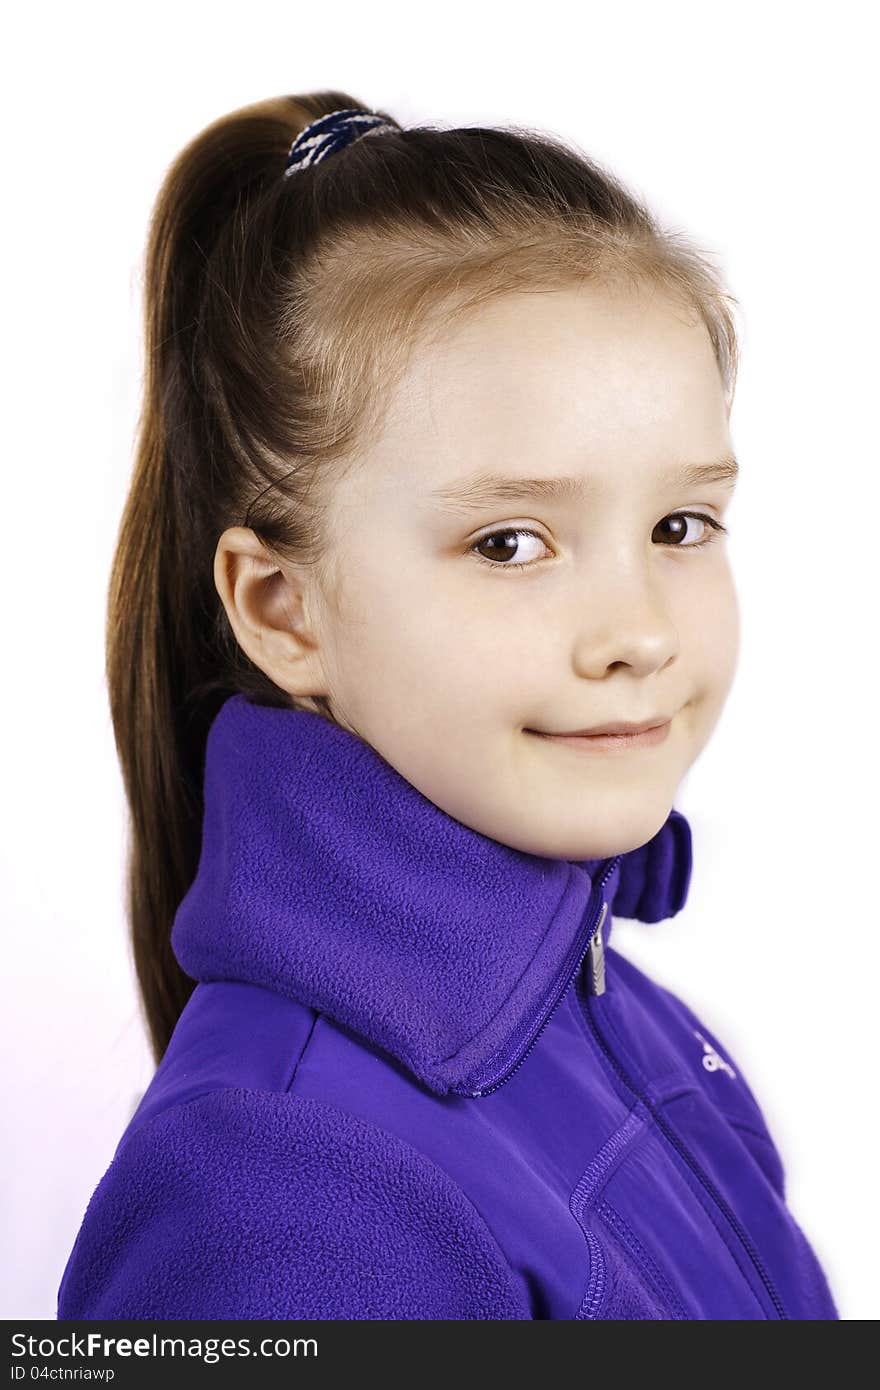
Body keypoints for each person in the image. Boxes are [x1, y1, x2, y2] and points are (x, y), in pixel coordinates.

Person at [56, 93, 838, 1320]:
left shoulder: (626, 1021)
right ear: (282, 610)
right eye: (511, 541)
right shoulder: (279, 1196)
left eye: (678, 525)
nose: (636, 631)